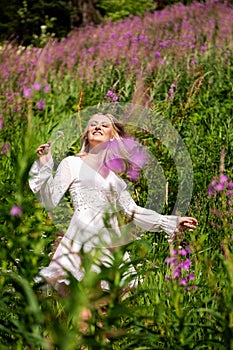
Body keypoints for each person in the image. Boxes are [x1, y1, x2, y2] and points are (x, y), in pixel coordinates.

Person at [29, 112, 198, 293]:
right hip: (82, 238)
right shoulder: (72, 163)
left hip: (109, 242)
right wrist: (44, 166)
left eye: (104, 125)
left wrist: (172, 222)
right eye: (93, 124)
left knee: (103, 309)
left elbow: (133, 211)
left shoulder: (114, 180)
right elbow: (51, 198)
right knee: (83, 304)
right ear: (86, 133)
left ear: (113, 137)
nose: (98, 127)